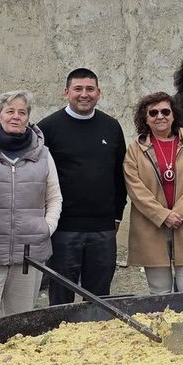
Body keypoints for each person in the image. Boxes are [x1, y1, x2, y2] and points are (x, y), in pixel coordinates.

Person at [0, 91, 62, 322]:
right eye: (10, 111)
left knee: (20, 319)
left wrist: (46, 228)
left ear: (28, 118)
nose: (16, 117)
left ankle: (14, 359)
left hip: (29, 252)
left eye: (22, 112)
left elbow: (54, 197)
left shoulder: (43, 155)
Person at [37, 68, 128, 304]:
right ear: (66, 92)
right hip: (63, 229)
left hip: (103, 229)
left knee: (100, 300)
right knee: (60, 299)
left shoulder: (111, 127)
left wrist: (117, 216)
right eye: (78, 89)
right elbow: (38, 178)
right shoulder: (47, 128)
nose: (84, 94)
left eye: (90, 89)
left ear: (99, 93)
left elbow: (120, 175)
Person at [124, 92, 183, 293]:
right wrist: (164, 216)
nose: (160, 116)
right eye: (153, 113)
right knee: (159, 292)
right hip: (151, 226)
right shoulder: (135, 150)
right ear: (145, 119)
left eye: (165, 111)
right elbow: (135, 189)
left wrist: (178, 214)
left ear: (173, 115)